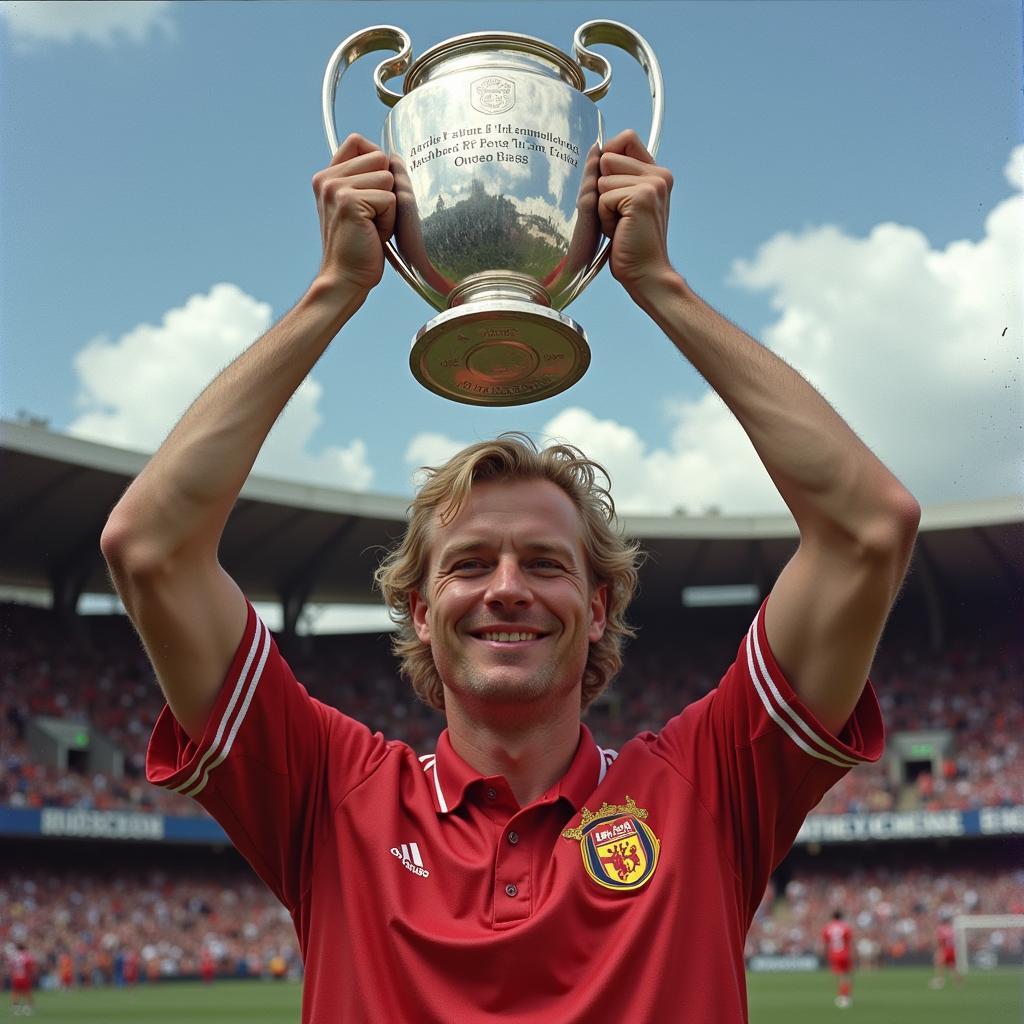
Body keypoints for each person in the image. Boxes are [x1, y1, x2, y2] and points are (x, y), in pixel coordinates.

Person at [101, 130, 920, 1021]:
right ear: (420, 612)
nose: (505, 587)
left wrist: (662, 289)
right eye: (468, 564)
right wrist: (334, 292)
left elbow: (869, 529)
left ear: (598, 607)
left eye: (543, 562)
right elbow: (150, 548)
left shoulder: (705, 789)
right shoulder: (333, 795)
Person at [823, 909, 855, 1008]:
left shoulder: (827, 927)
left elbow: (826, 943)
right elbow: (850, 941)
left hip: (833, 954)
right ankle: (844, 996)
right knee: (846, 976)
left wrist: (826, 954)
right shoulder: (846, 927)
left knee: (839, 975)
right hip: (844, 954)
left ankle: (842, 995)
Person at [930, 911, 962, 988]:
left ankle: (940, 981)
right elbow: (956, 940)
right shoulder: (951, 929)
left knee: (939, 965)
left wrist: (938, 950)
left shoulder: (940, 928)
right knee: (952, 966)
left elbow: (939, 940)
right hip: (952, 950)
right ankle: (958, 983)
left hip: (945, 950)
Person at [7, 943, 36, 1017]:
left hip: (16, 977)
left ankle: (16, 1008)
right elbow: (30, 966)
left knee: (16, 993)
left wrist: (12, 974)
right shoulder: (27, 956)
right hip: (24, 976)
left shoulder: (14, 956)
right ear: (24, 948)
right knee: (27, 992)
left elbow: (11, 966)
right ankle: (28, 1009)